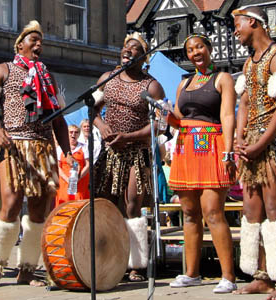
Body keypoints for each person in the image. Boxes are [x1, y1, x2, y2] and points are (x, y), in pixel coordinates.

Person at [0, 20, 73, 287]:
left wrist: (68, 152)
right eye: (33, 40)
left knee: (39, 210)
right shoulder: (2, 70)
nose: (38, 45)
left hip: (43, 147)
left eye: (41, 42)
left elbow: (59, 121)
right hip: (14, 145)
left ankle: (27, 269)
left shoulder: (47, 76)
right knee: (11, 205)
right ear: (20, 44)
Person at [232, 6, 276, 300]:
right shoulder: (248, 63)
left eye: (238, 25)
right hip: (253, 142)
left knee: (275, 209)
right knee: (252, 211)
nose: (235, 31)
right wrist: (239, 137)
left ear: (254, 23)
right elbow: (243, 103)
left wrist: (259, 144)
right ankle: (262, 275)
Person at [167, 33, 237, 293]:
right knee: (189, 214)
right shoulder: (183, 84)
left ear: (208, 49)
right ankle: (191, 273)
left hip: (212, 146)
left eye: (199, 47)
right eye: (189, 49)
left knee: (213, 212)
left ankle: (228, 276)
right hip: (185, 148)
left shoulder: (223, 79)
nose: (194, 52)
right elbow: (177, 117)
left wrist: (229, 152)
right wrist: (166, 115)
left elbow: (228, 115)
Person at [93, 32, 165, 281]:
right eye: (126, 47)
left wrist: (131, 136)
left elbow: (161, 124)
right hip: (111, 151)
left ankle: (136, 264)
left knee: (132, 204)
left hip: (138, 152)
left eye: (135, 48)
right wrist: (102, 127)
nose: (128, 50)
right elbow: (92, 109)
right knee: (110, 204)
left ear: (143, 56)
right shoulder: (107, 79)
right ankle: (113, 259)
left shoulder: (151, 85)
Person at [55, 124, 90, 206]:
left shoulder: (84, 147)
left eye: (76, 132)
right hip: (64, 183)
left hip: (80, 183)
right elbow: (58, 167)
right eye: (71, 132)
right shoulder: (60, 148)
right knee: (63, 204)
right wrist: (67, 180)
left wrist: (78, 178)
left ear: (79, 134)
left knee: (79, 205)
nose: (73, 135)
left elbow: (88, 165)